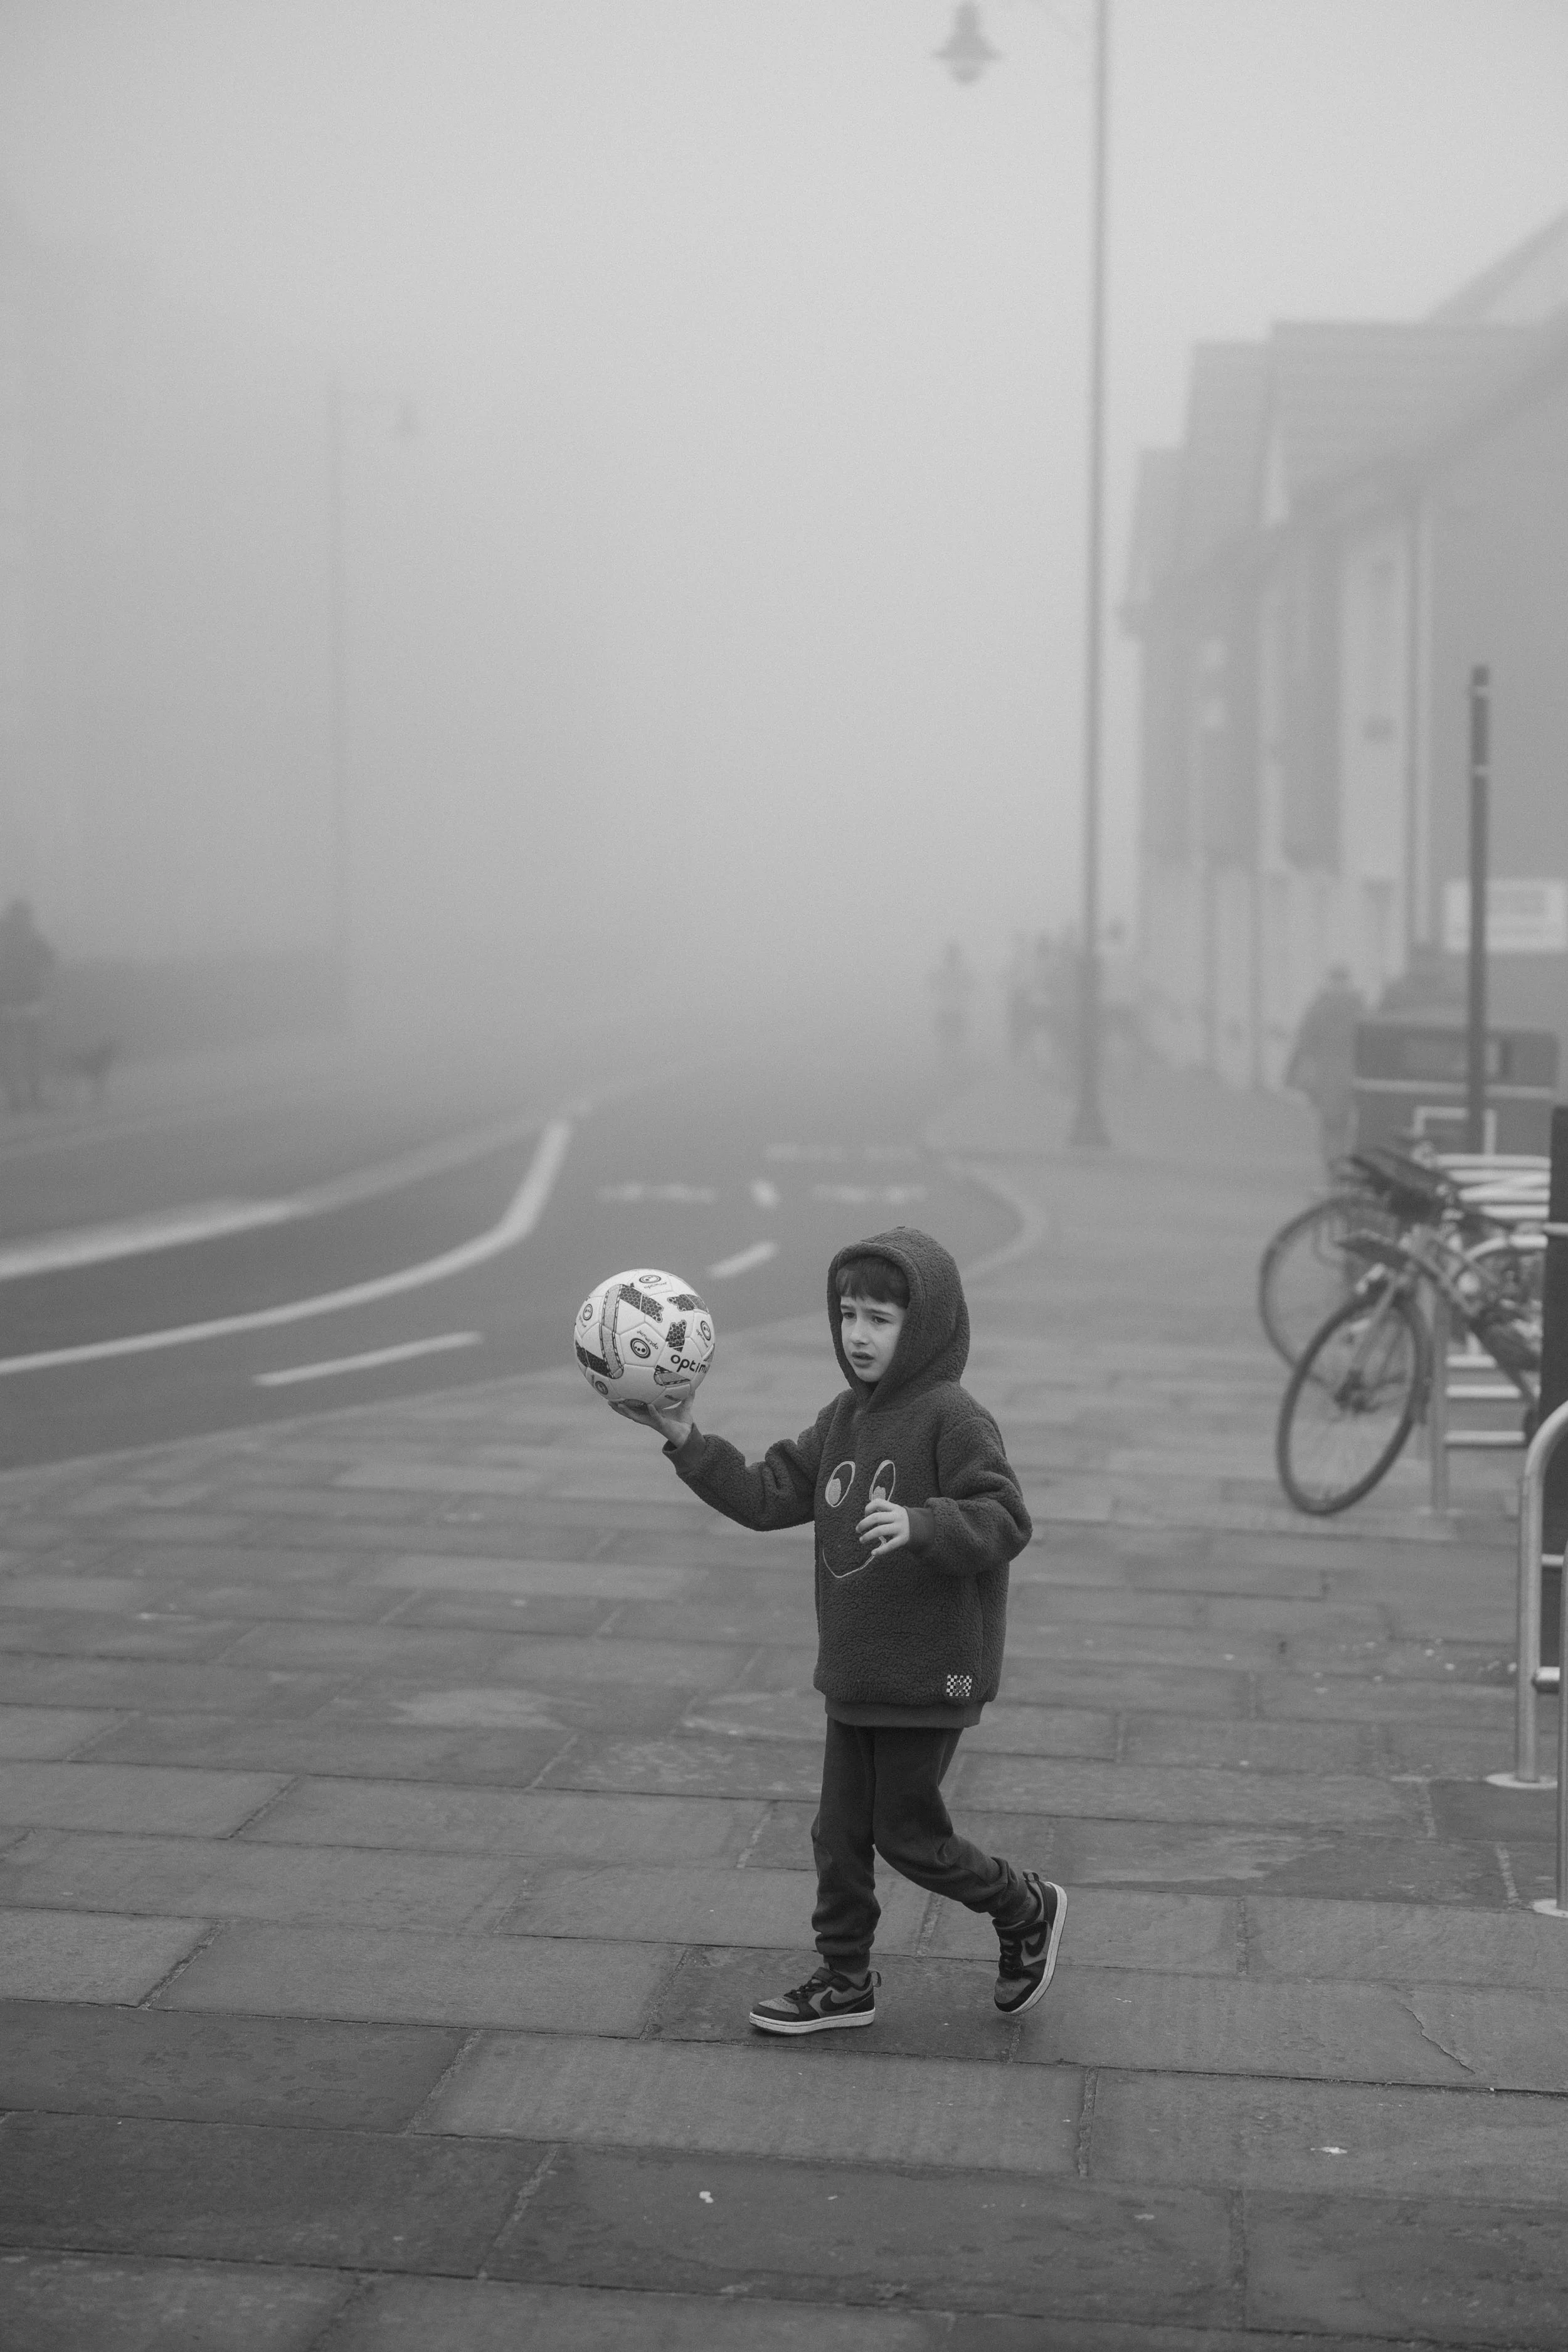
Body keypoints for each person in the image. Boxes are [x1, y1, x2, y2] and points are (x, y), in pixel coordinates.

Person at [613, 1225, 1066, 2034]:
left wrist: (926, 1524)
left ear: (922, 1326)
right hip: (855, 1672)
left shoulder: (953, 1417)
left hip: (932, 1672)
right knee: (838, 1835)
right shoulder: (842, 1419)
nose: (858, 1334)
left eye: (880, 1319)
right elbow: (765, 1496)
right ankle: (844, 1977)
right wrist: (683, 1437)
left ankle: (1024, 1906)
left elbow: (1005, 1517)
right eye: (849, 1314)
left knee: (909, 1837)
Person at [1285, 963, 1363, 1173]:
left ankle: (1333, 1163)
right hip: (1349, 1072)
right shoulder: (1358, 1007)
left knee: (1329, 1122)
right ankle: (1343, 1162)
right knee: (1345, 1122)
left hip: (1327, 1073)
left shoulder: (1319, 1007)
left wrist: (1295, 1072)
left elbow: (1305, 1041)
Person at [0, 898, 55, 1115]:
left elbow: (49, 957)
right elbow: (50, 958)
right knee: (19, 1051)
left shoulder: (26, 936)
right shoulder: (21, 936)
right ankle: (24, 1095)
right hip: (14, 1002)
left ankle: (26, 1095)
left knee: (23, 1050)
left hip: (24, 1002)